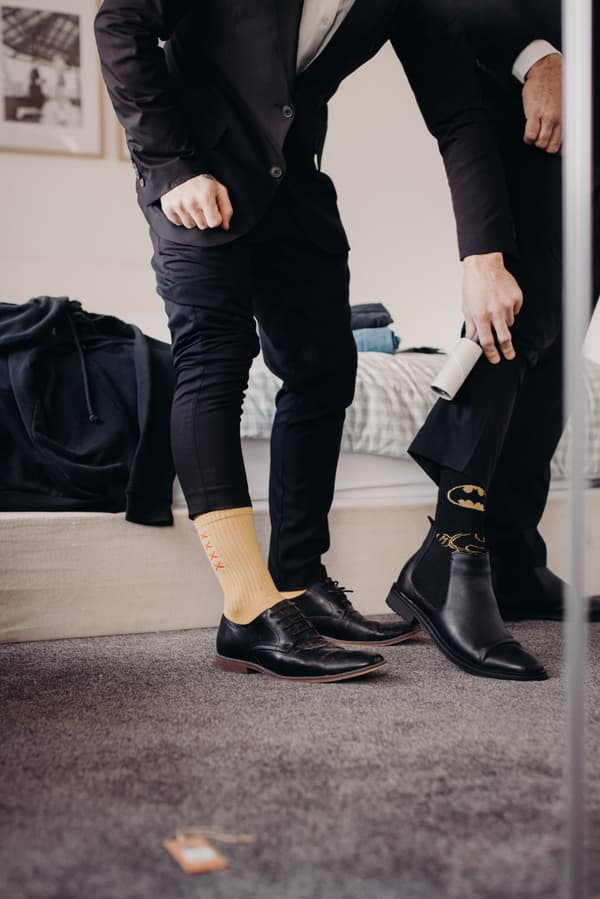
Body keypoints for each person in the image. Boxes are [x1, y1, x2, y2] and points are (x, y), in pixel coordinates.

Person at [95, 0, 539, 682]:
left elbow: (458, 113)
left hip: (292, 175)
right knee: (215, 358)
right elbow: (120, 18)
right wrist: (170, 166)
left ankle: (297, 577)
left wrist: (484, 254)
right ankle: (247, 610)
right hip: (195, 164)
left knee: (326, 366)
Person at [386, 1, 600, 681]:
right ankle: (451, 553)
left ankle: (509, 554)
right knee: (516, 318)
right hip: (529, 100)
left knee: (562, 343)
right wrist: (537, 53)